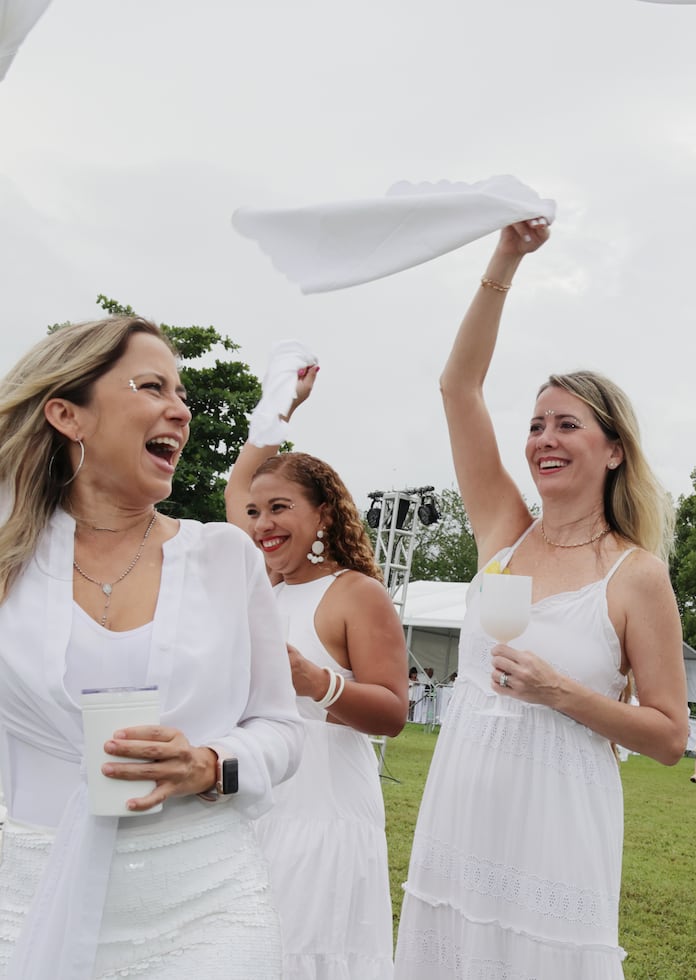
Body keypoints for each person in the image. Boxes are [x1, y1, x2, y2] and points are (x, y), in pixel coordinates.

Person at [393, 220, 689, 979]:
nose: (543, 439)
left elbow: (667, 737)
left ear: (614, 449)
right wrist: (505, 258)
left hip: (558, 830)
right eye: (535, 426)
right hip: (462, 811)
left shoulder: (635, 576)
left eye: (567, 424)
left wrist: (559, 692)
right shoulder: (503, 533)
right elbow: (458, 388)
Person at [0, 316, 304, 979]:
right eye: (152, 386)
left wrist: (208, 763)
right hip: (26, 896)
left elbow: (282, 729)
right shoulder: (7, 561)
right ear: (67, 415)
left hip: (204, 905)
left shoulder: (226, 557)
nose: (179, 410)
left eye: (182, 394)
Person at [225, 360, 409, 980]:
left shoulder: (356, 593)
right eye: (254, 514)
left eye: (280, 508)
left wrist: (316, 682)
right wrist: (280, 405)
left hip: (325, 818)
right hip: (253, 809)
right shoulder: (258, 586)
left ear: (324, 514)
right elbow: (239, 486)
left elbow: (392, 714)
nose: (262, 525)